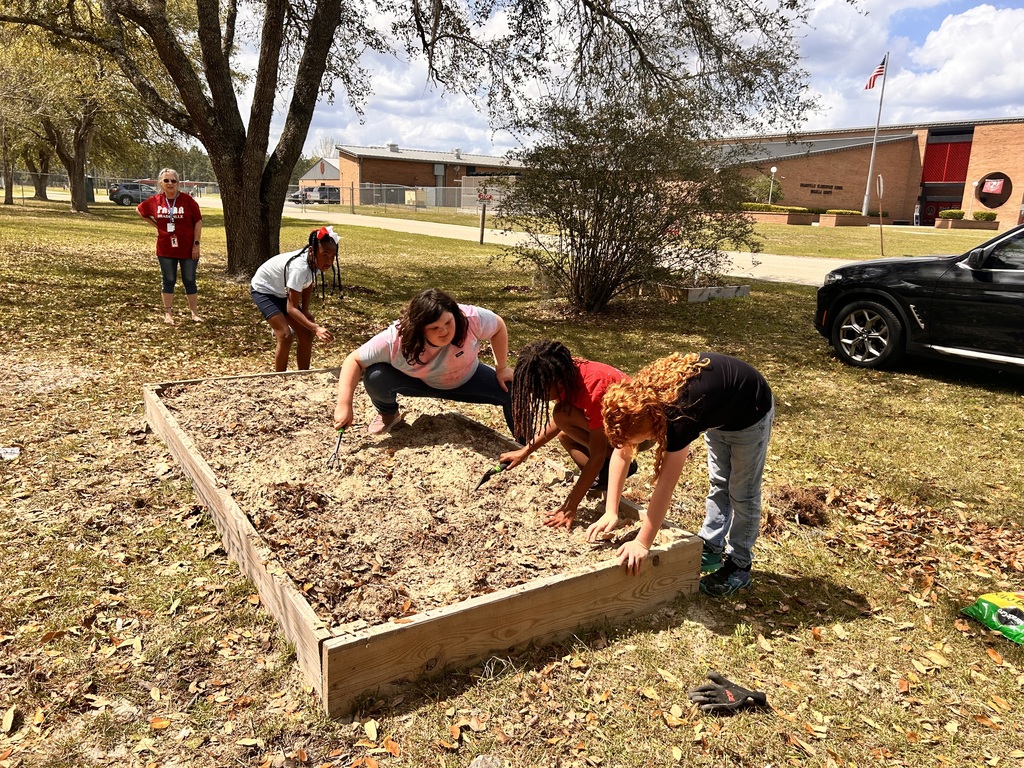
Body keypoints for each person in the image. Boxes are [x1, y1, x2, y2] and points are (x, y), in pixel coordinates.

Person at [586, 352, 774, 597]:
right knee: (719, 483)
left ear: (654, 427)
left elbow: (665, 486)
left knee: (742, 491)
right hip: (719, 412)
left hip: (750, 410)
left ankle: (739, 565)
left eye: (642, 441)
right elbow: (623, 452)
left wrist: (643, 543)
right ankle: (712, 545)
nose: (639, 446)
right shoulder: (637, 400)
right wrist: (611, 510)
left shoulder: (679, 418)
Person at [332, 288, 514, 436]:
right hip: (419, 381)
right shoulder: (395, 339)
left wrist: (502, 367)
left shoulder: (469, 318)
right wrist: (344, 404)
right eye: (434, 328)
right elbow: (353, 360)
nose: (444, 331)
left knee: (512, 390)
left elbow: (498, 326)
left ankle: (524, 443)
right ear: (419, 328)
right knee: (375, 376)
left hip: (467, 377)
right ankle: (388, 414)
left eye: (448, 323)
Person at [499, 340, 638, 530]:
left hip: (637, 431)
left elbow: (595, 456)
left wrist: (570, 506)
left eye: (540, 391)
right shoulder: (562, 373)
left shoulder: (593, 390)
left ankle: (618, 463)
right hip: (611, 425)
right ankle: (606, 475)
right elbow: (559, 422)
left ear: (556, 381)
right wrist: (525, 451)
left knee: (563, 415)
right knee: (564, 432)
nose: (537, 396)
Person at [250, 226, 338, 371]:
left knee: (306, 332)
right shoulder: (299, 267)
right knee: (285, 335)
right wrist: (316, 328)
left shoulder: (314, 262)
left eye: (332, 256)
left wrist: (305, 310)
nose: (329, 261)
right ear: (312, 251)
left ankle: (303, 375)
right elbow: (290, 309)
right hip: (264, 290)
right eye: (325, 255)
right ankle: (280, 378)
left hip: (283, 291)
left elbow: (308, 282)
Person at [137, 168, 203, 324]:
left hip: (188, 249)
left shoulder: (187, 200)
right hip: (165, 249)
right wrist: (157, 226)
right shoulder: (155, 200)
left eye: (173, 181)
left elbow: (198, 222)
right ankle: (168, 314)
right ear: (161, 183)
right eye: (166, 180)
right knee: (168, 279)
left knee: (189, 279)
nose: (170, 184)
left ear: (178, 183)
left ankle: (194, 313)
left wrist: (196, 245)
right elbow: (140, 210)